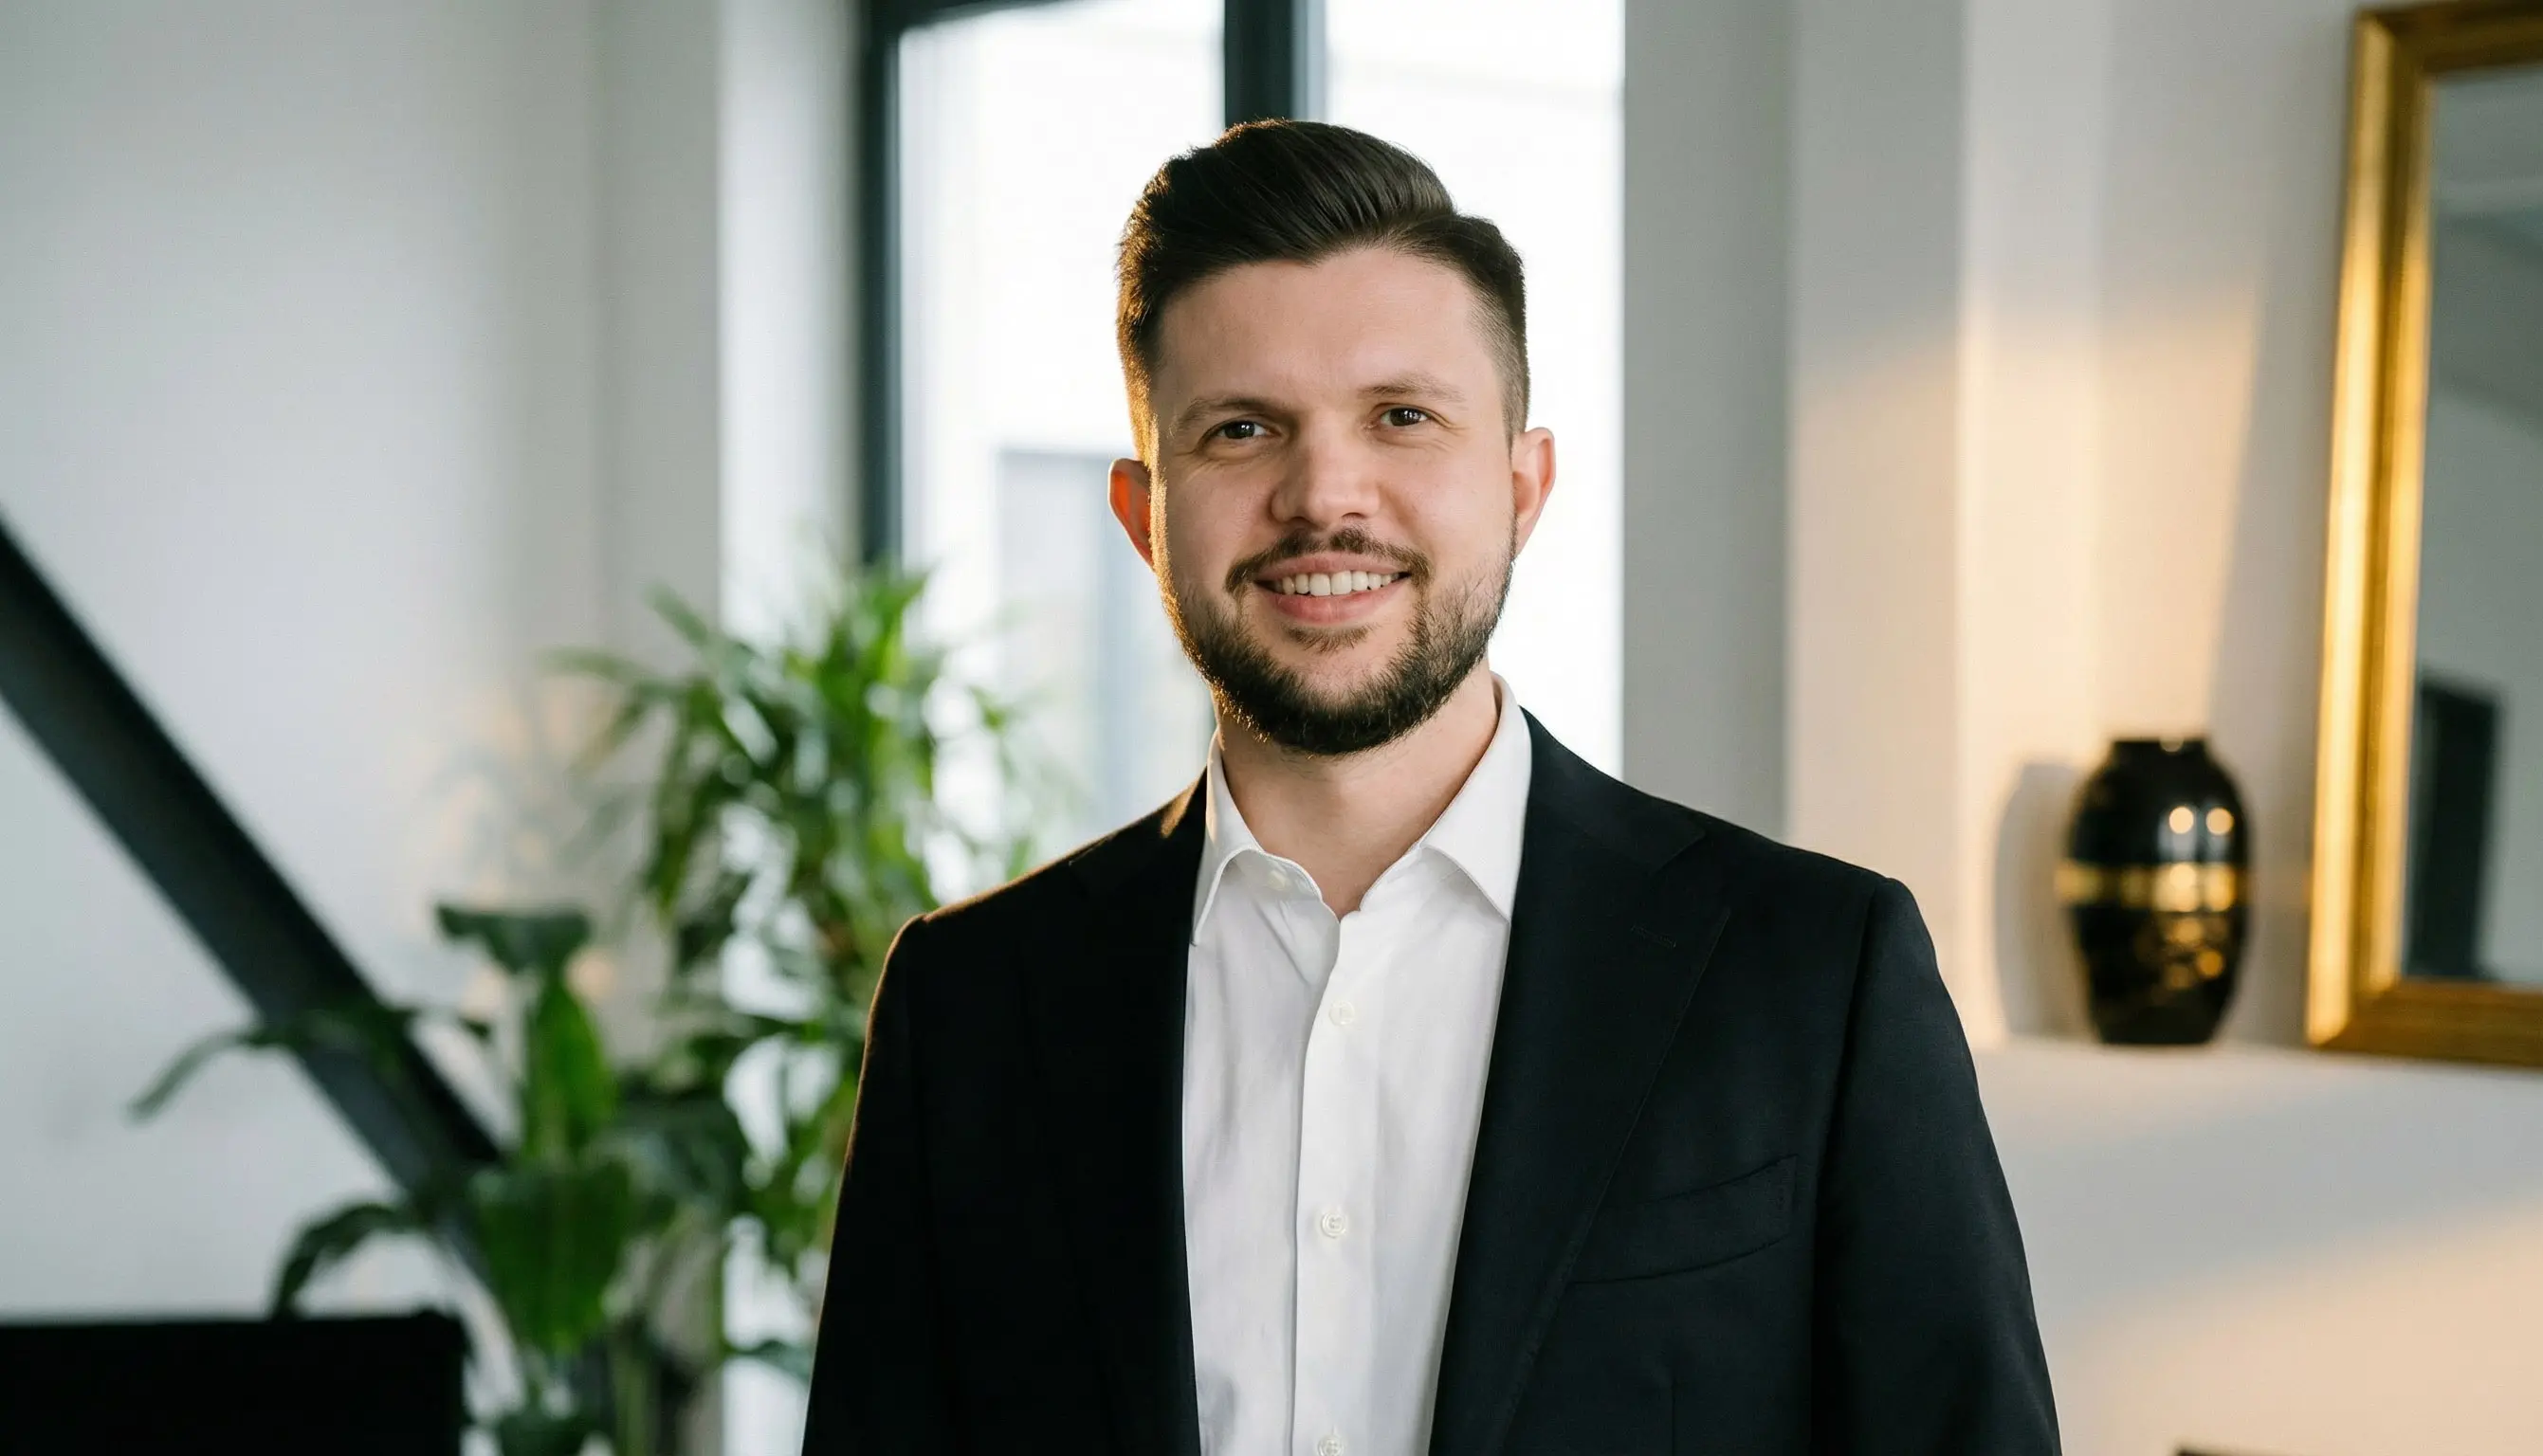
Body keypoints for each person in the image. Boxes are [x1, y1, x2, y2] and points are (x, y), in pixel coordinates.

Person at [801, 120, 2058, 1456]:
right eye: (1241, 429)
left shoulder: (1816, 975)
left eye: (1402, 417)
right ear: (1141, 512)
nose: (1325, 495)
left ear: (1523, 489)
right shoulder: (971, 1004)